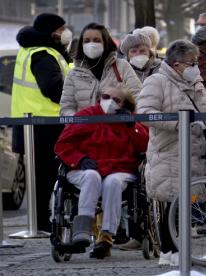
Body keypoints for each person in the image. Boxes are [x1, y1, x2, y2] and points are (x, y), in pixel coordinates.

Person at [136, 39, 206, 266]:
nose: (195, 66)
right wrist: (177, 123)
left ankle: (172, 251)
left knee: (185, 202)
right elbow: (145, 112)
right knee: (172, 202)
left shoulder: (196, 82)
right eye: (191, 62)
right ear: (177, 64)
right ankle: (171, 251)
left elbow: (204, 111)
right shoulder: (157, 81)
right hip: (168, 149)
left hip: (193, 150)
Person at [54, 86, 149, 259]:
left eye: (117, 99)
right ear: (99, 98)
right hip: (84, 167)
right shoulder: (86, 116)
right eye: (106, 97)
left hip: (119, 169)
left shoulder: (128, 120)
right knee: (92, 176)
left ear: (125, 105)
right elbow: (63, 145)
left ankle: (107, 233)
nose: (110, 101)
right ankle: (82, 229)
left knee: (112, 182)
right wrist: (80, 159)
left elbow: (144, 147)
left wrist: (132, 126)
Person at [11, 13, 72, 232]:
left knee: (41, 177)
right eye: (62, 28)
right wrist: (72, 97)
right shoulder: (43, 54)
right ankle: (41, 223)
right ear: (52, 32)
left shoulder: (35, 49)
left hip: (34, 124)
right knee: (44, 178)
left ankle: (40, 222)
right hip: (44, 125)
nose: (65, 32)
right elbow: (53, 89)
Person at [60, 22, 142, 116]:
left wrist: (129, 115)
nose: (91, 44)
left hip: (117, 128)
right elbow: (66, 108)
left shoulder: (122, 66)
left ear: (105, 42)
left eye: (96, 40)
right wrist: (79, 121)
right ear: (81, 44)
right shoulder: (73, 74)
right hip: (86, 129)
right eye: (87, 41)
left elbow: (139, 98)